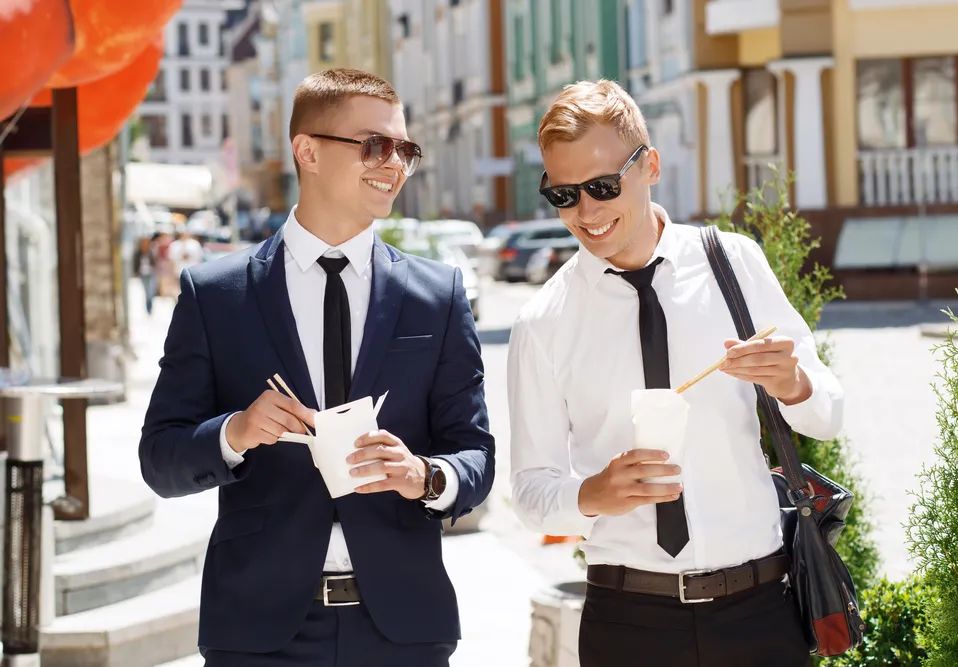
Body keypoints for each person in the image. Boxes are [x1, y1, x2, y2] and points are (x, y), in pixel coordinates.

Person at [139, 68, 495, 666]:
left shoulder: (438, 294)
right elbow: (160, 460)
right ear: (307, 151)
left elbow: (476, 453)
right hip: (257, 631)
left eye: (405, 150)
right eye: (376, 146)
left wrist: (426, 477)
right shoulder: (216, 294)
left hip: (404, 630)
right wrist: (235, 433)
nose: (395, 165)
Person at [507, 79, 844, 667]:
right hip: (627, 622)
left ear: (651, 166)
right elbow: (531, 492)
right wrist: (591, 494)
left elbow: (831, 413)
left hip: (760, 612)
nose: (586, 212)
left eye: (603, 186)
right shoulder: (542, 321)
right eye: (563, 195)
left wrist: (793, 384)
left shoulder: (733, 264)